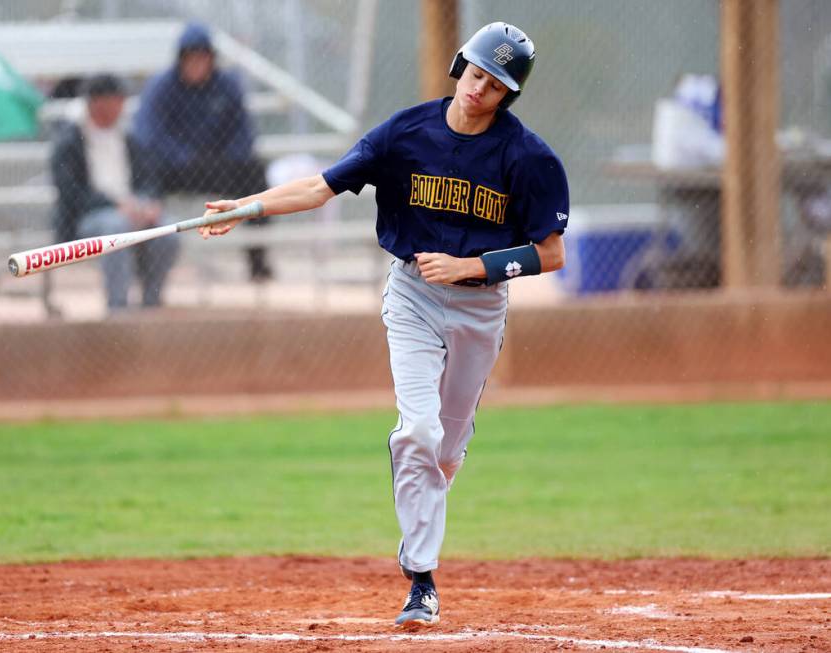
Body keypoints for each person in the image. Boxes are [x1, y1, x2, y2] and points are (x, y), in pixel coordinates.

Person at [198, 23, 568, 628]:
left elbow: (550, 255)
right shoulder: (406, 133)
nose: (480, 89)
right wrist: (248, 208)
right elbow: (321, 187)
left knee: (445, 454)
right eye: (475, 73)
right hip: (413, 298)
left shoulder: (526, 157)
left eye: (495, 83)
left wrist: (470, 265)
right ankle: (421, 580)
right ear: (459, 68)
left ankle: (430, 480)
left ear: (508, 95)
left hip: (479, 307)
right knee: (417, 433)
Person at [133, 21, 273, 282]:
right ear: (180, 60)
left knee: (256, 175)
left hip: (218, 165)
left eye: (202, 57)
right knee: (145, 179)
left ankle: (258, 261)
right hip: (175, 168)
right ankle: (147, 272)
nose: (197, 64)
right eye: (191, 58)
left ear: (211, 59)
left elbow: (244, 132)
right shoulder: (163, 87)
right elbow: (149, 134)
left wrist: (229, 158)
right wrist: (182, 157)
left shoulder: (227, 85)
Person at [51, 73, 178, 311]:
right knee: (115, 229)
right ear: (97, 103)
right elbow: (72, 194)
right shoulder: (70, 141)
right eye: (115, 100)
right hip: (89, 218)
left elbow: (149, 179)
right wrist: (114, 205)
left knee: (167, 232)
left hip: (132, 210)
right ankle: (118, 308)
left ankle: (151, 302)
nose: (120, 106)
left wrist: (148, 204)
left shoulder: (127, 138)